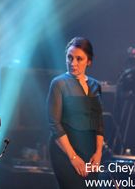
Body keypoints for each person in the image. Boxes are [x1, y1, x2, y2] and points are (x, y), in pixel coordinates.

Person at [47, 37, 104, 188]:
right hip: (64, 151)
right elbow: (54, 123)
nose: (73, 63)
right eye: (70, 57)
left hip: (90, 152)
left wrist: (98, 153)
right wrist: (73, 157)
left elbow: (99, 123)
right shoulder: (59, 83)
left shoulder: (95, 85)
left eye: (79, 59)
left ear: (89, 61)